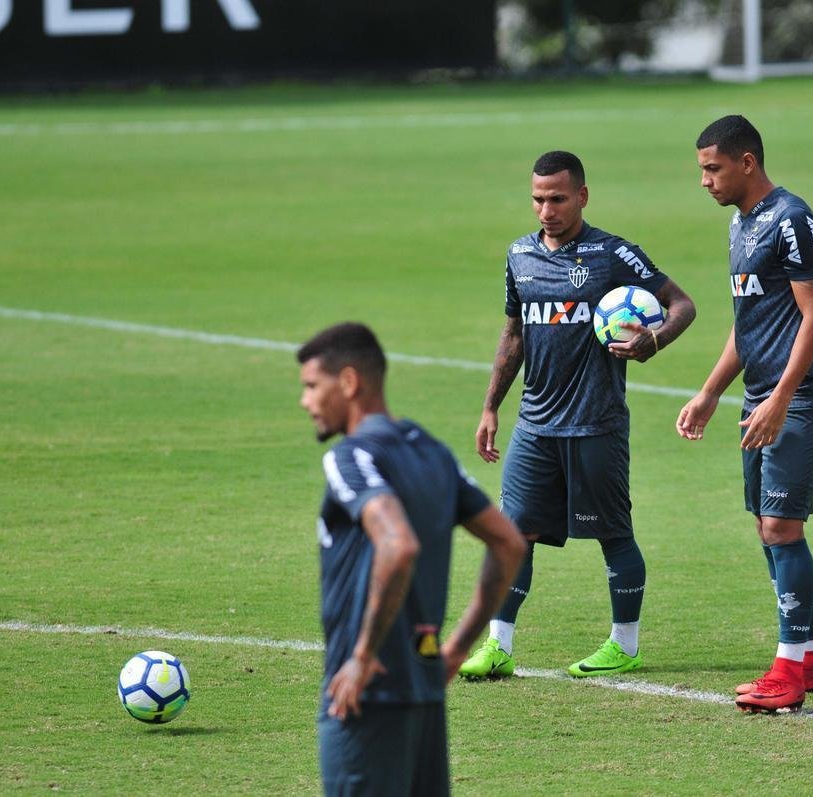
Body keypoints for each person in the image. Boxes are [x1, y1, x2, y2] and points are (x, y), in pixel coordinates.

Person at [459, 150, 696, 680]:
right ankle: (498, 645)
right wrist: (491, 405)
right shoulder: (519, 255)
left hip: (596, 422)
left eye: (558, 199)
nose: (547, 210)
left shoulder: (613, 255)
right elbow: (514, 333)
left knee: (614, 535)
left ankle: (624, 644)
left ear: (582, 196)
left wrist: (653, 340)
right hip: (535, 424)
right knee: (512, 534)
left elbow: (682, 304)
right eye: (539, 199)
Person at [297, 321, 527, 795]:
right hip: (423, 694)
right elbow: (508, 543)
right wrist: (459, 647)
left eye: (312, 386)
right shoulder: (432, 452)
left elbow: (397, 544)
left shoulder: (353, 458)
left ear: (348, 382)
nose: (306, 402)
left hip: (365, 698)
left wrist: (362, 656)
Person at [677, 115, 813, 714]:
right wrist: (711, 390)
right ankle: (812, 657)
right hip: (761, 397)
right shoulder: (740, 223)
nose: (705, 180)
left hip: (802, 397)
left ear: (747, 162)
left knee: (781, 527)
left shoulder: (793, 220)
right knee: (764, 524)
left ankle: (788, 671)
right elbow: (750, 322)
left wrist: (779, 398)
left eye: (712, 168)